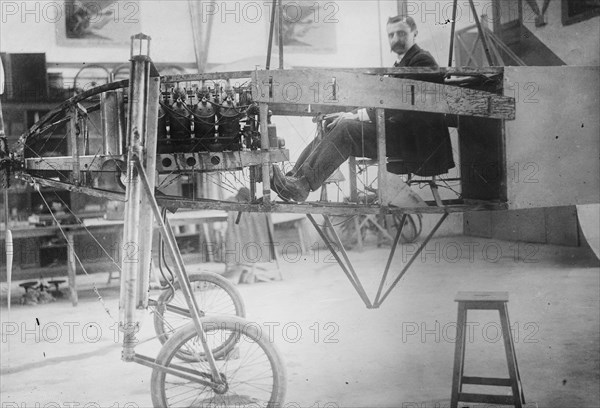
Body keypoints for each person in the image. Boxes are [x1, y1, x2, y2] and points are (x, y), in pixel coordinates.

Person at [272, 15, 455, 202]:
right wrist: (350, 113)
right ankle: (294, 179)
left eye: (401, 33)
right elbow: (386, 100)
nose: (395, 38)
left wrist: (356, 116)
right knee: (332, 124)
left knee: (346, 130)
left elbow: (400, 104)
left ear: (415, 33)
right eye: (391, 34)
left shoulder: (422, 61)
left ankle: (303, 185)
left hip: (417, 141)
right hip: (401, 133)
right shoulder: (405, 62)